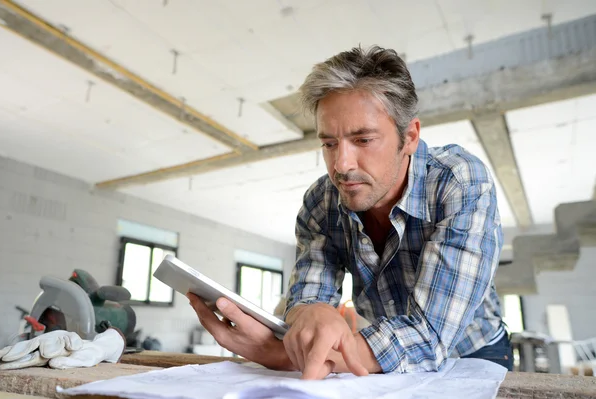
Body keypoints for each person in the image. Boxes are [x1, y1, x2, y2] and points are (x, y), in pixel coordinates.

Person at [188, 45, 512, 380]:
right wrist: (309, 314)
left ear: (410, 136)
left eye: (363, 140)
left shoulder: (458, 182)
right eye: (329, 144)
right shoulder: (321, 201)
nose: (341, 165)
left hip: (472, 351)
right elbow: (308, 300)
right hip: (381, 353)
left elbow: (430, 336)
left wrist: (282, 353)